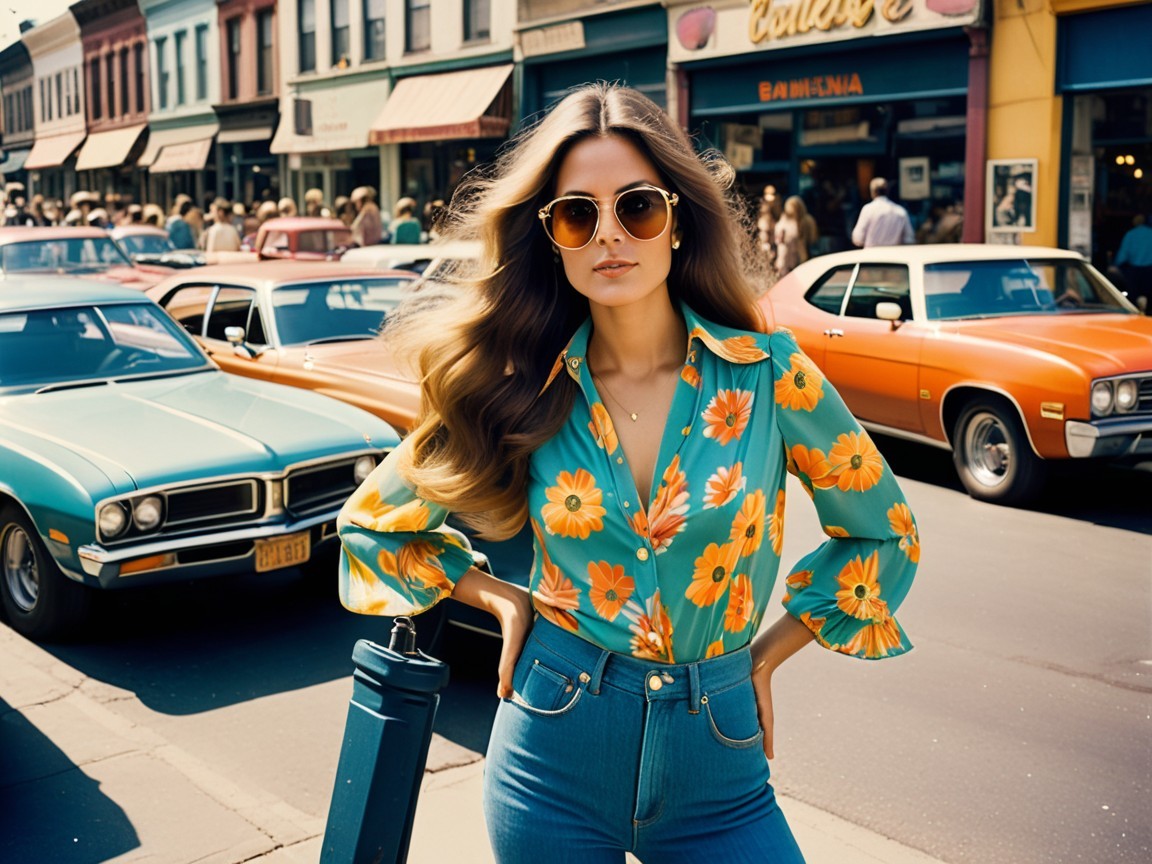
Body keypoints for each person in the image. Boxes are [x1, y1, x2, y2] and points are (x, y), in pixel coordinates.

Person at [336, 83, 919, 862]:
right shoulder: (522, 379)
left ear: (677, 220)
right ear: (552, 239)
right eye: (579, 214)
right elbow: (373, 524)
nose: (610, 234)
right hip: (550, 758)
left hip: (721, 768)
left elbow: (885, 534)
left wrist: (767, 652)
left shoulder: (769, 375)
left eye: (637, 207)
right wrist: (501, 600)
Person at [851, 177, 914, 247]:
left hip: (872, 255)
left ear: (873, 192)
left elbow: (858, 239)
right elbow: (909, 239)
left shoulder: (868, 209)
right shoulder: (900, 211)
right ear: (887, 191)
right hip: (894, 256)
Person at [1113, 214, 1152, 310]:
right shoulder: (1150, 233)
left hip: (1135, 271)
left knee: (1134, 299)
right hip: (1150, 270)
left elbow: (1123, 255)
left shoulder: (1130, 234)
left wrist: (1115, 265)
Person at [774, 195, 819, 277]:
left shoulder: (805, 221)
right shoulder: (785, 222)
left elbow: (812, 239)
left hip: (800, 259)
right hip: (793, 260)